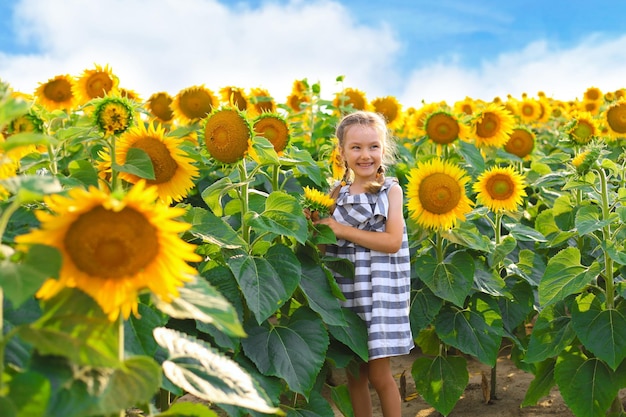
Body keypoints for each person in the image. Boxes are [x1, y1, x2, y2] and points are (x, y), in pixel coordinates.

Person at [315, 111, 413, 417]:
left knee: (380, 375)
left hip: (379, 295)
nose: (365, 155)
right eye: (356, 147)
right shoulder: (335, 193)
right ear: (341, 152)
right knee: (354, 375)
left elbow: (392, 241)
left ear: (383, 150)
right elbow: (322, 245)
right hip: (347, 295)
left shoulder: (390, 191)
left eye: (373, 146)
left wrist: (342, 230)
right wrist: (315, 225)